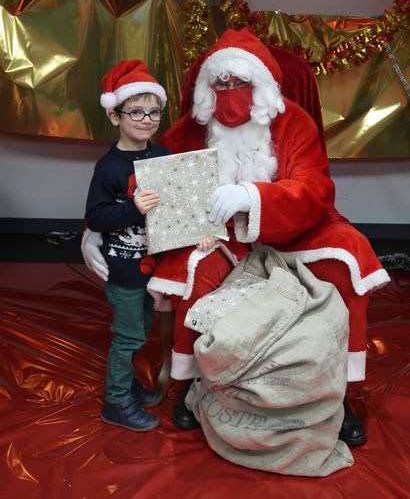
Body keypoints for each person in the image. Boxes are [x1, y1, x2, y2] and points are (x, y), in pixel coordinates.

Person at [83, 28, 390, 443]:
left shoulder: (292, 121)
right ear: (207, 87)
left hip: (291, 228)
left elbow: (315, 187)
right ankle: (193, 383)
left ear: (261, 84)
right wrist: (92, 230)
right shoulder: (195, 126)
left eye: (239, 82)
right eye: (220, 83)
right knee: (190, 264)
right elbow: (142, 179)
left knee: (349, 253)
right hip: (219, 234)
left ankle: (338, 394)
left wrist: (252, 195)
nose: (229, 93)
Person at [84, 58, 170, 432]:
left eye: (154, 112)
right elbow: (97, 217)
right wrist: (132, 208)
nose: (146, 119)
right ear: (115, 116)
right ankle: (116, 401)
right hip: (122, 267)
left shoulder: (164, 156)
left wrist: (199, 228)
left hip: (154, 264)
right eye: (136, 111)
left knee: (142, 326)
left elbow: (180, 204)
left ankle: (128, 383)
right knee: (129, 334)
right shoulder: (109, 167)